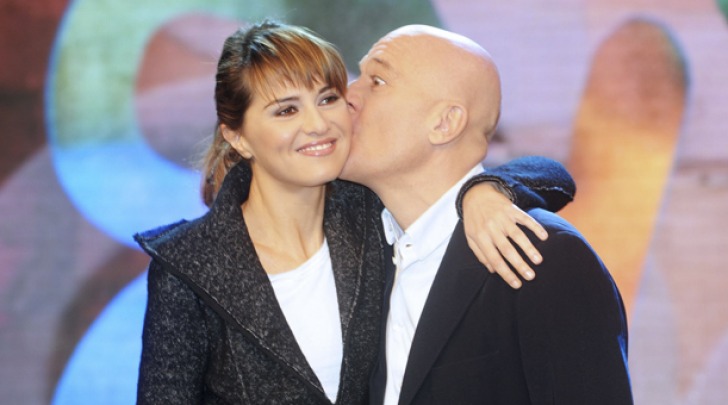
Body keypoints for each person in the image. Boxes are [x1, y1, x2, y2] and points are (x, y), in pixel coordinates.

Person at [134, 21, 575, 404]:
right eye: (286, 110)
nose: (318, 124)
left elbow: (550, 174)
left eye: (327, 98)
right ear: (238, 137)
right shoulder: (188, 266)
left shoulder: (370, 212)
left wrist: (485, 190)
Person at [343, 25, 634, 404]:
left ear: (445, 123)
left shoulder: (541, 256)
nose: (348, 95)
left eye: (377, 81)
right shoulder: (361, 244)